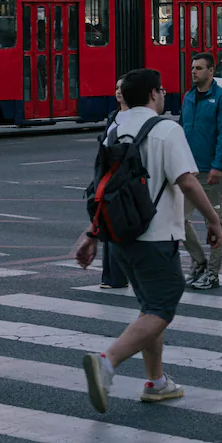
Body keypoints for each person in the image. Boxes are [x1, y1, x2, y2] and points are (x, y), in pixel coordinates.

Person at [75, 68, 222, 413]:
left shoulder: (114, 127)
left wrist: (93, 235)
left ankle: (156, 383)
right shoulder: (166, 129)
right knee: (161, 308)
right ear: (155, 94)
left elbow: (101, 186)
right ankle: (107, 362)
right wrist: (213, 220)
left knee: (149, 307)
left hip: (120, 235)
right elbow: (187, 181)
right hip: (156, 236)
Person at [180, 52, 222, 290]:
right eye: (193, 67)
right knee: (179, 219)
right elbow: (181, 132)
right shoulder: (188, 97)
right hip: (188, 171)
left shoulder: (221, 98)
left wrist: (218, 166)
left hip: (211, 170)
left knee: (215, 221)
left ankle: (213, 273)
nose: (194, 72)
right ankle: (199, 261)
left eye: (199, 68)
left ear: (211, 71)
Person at [100, 81, 129, 291]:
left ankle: (119, 276)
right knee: (109, 226)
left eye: (122, 88)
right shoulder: (113, 115)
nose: (118, 91)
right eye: (116, 88)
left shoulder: (135, 118)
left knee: (118, 227)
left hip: (125, 180)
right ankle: (110, 275)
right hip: (109, 178)